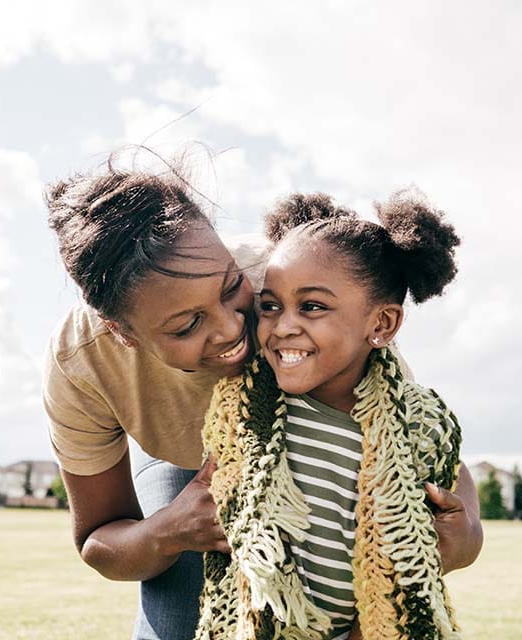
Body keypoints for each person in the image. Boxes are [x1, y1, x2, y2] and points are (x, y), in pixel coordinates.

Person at [42, 162, 482, 640]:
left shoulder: (292, 281)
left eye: (234, 291)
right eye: (186, 325)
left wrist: (465, 535)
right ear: (122, 332)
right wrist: (170, 528)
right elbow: (98, 540)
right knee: (175, 621)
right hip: (186, 464)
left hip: (303, 472)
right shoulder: (81, 362)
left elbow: (408, 445)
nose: (234, 330)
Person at [197, 191, 480, 639]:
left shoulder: (411, 422)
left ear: (381, 325)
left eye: (312, 306)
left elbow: (452, 485)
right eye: (271, 306)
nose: (284, 325)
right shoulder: (249, 411)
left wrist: (470, 534)